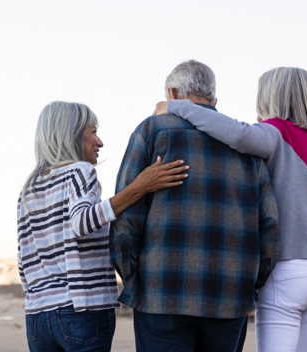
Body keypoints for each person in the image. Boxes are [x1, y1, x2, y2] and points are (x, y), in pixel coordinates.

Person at [156, 67, 307, 352]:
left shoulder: (277, 134)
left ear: (270, 97)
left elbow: (238, 134)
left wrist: (176, 106)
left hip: (290, 269)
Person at [110, 60, 279, 351]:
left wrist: (132, 274)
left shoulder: (152, 131)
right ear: (214, 100)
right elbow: (269, 225)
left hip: (161, 290)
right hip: (229, 294)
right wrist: (249, 281)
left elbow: (128, 213)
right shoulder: (246, 143)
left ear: (172, 93)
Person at [17, 101, 188, 352]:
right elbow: (82, 221)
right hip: (81, 309)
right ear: (72, 134)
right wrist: (140, 186)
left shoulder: (28, 188)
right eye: (93, 131)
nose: (100, 142)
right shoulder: (79, 171)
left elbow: (23, 261)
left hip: (37, 317)